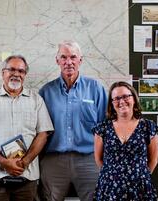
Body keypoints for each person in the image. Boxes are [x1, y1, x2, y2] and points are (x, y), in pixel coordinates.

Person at [0, 55, 54, 201]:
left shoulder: (37, 100)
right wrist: (4, 162)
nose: (16, 74)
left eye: (21, 71)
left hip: (28, 176)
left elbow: (43, 134)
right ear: (3, 72)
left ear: (25, 75)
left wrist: (25, 162)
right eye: (11, 69)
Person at [39, 40, 107, 201]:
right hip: (53, 161)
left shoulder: (96, 89)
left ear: (80, 60)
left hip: (89, 159)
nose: (68, 62)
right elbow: (39, 131)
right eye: (63, 57)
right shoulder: (45, 92)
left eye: (73, 57)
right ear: (57, 61)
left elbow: (106, 127)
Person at [92, 81, 158, 200]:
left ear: (133, 98)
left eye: (125, 96)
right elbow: (98, 159)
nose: (121, 101)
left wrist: (140, 177)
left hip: (140, 189)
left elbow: (153, 160)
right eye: (116, 98)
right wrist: (112, 176)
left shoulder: (148, 127)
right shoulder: (102, 128)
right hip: (109, 189)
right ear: (112, 103)